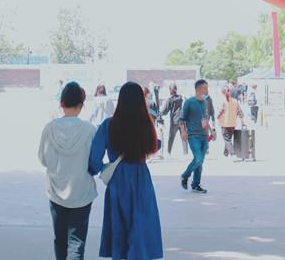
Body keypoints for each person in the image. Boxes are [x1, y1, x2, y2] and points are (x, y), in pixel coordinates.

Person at [89, 82, 163, 260]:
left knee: (119, 226)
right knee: (140, 225)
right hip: (141, 177)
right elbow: (155, 146)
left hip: (118, 180)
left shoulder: (108, 125)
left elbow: (94, 161)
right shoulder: (146, 124)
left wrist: (103, 168)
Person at [39, 81, 97, 260]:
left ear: (61, 103)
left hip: (56, 192)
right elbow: (95, 161)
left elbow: (43, 159)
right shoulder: (89, 130)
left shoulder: (49, 129)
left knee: (60, 240)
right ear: (81, 105)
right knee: (76, 244)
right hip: (81, 193)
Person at [179, 79, 211, 193]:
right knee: (198, 159)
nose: (207, 90)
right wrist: (183, 132)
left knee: (200, 161)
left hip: (204, 135)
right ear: (199, 89)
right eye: (205, 88)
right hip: (193, 136)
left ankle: (196, 184)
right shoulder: (189, 102)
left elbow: (205, 118)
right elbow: (182, 119)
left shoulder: (205, 102)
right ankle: (185, 176)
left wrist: (211, 130)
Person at [160, 83, 187, 156]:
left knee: (171, 138)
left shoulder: (170, 100)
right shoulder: (181, 98)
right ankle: (186, 154)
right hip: (182, 121)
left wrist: (160, 113)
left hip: (174, 121)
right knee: (184, 138)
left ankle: (168, 153)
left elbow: (165, 111)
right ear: (176, 89)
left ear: (170, 90)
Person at [217, 87, 244, 157]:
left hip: (225, 123)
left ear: (222, 93)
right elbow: (240, 112)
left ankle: (232, 152)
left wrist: (218, 116)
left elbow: (220, 111)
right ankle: (226, 152)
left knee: (227, 139)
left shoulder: (223, 101)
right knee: (228, 138)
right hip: (233, 124)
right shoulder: (235, 101)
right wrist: (242, 121)